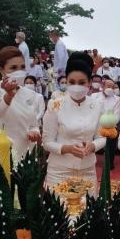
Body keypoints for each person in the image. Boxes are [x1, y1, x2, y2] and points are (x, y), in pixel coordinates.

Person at [42, 52, 105, 188]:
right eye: (72, 82)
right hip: (59, 171)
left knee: (87, 208)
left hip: (87, 170)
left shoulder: (98, 105)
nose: (76, 86)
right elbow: (47, 142)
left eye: (82, 82)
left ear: (89, 83)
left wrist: (93, 146)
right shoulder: (55, 105)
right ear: (66, 81)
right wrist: (68, 148)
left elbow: (102, 137)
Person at [0, 46, 41, 161]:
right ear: (1, 69)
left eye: (22, 67)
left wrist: (34, 132)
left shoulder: (30, 94)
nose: (19, 71)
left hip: (26, 154)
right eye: (13, 68)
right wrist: (9, 96)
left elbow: (33, 123)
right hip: (3, 153)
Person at [93, 78, 120, 169]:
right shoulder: (94, 96)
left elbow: (117, 115)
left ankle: (109, 162)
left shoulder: (116, 99)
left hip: (110, 125)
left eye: (113, 87)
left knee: (112, 138)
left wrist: (109, 123)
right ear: (102, 86)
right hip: (95, 124)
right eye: (109, 86)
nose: (111, 88)